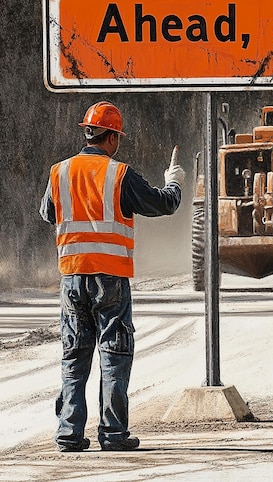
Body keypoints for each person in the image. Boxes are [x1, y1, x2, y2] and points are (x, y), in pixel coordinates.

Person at [39, 101, 185, 453]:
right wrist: (174, 181)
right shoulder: (120, 174)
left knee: (75, 355)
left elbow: (47, 213)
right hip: (110, 278)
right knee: (114, 354)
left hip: (72, 277)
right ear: (113, 138)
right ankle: (114, 434)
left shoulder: (59, 171)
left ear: (87, 132)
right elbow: (163, 204)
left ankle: (69, 434)